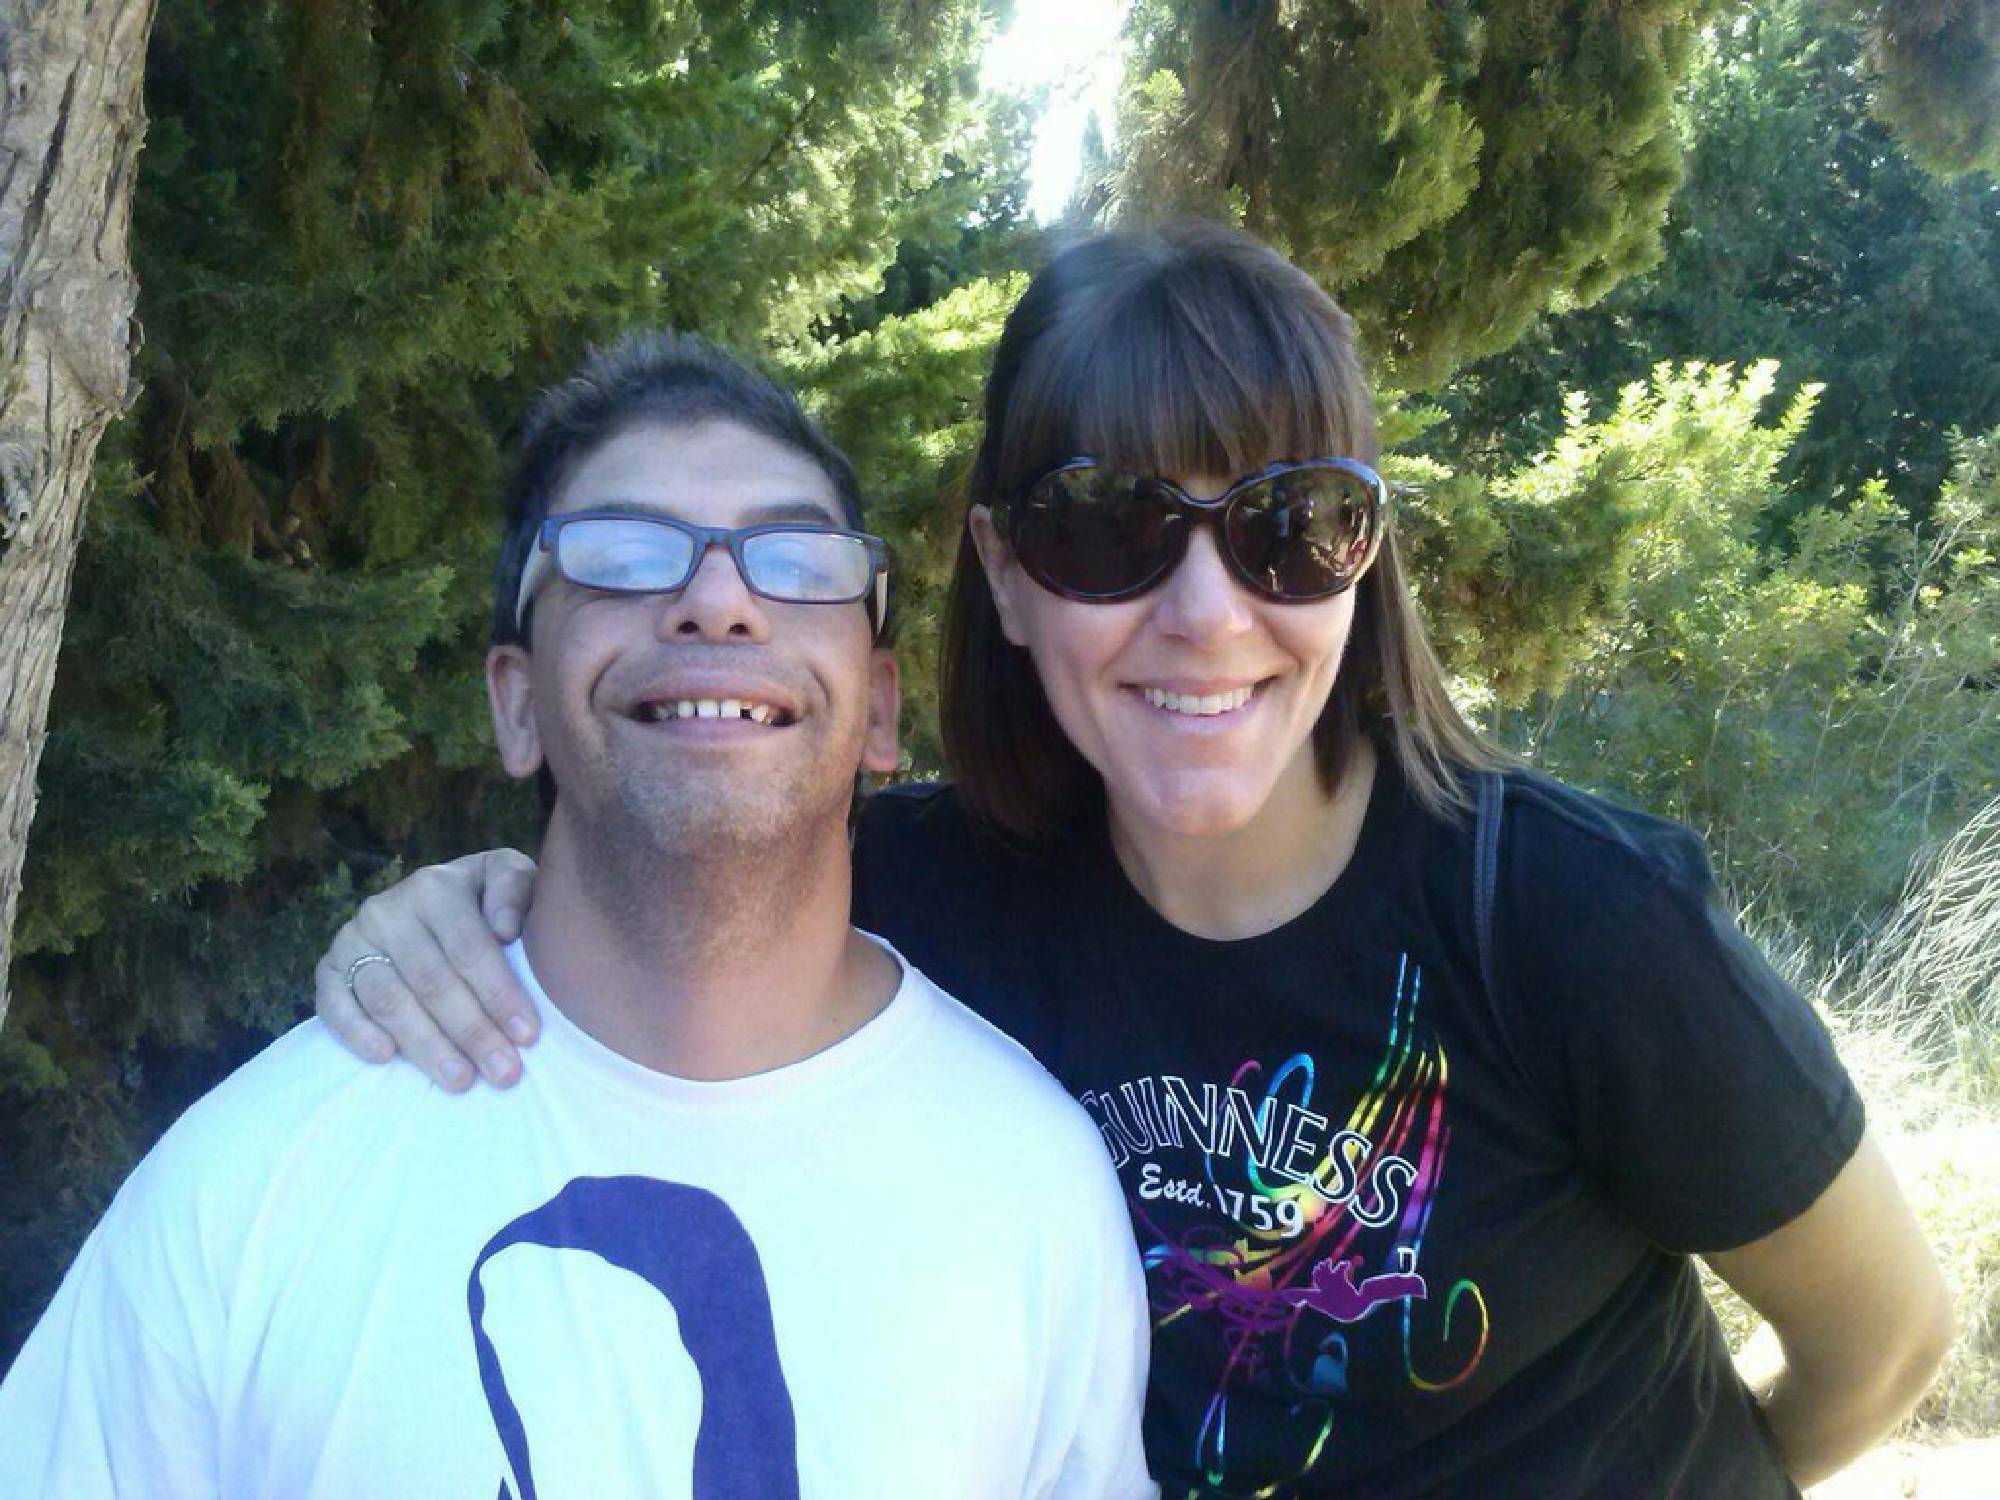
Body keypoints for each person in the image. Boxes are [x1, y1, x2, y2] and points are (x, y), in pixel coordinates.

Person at [309, 224, 1952, 1497]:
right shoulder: (926, 901)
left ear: (1364, 559)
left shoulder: (1572, 922)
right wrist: (454, 907)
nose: (1206, 615)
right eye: (1111, 530)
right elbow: (671, 864)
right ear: (1006, 575)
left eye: (1289, 527)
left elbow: (1883, 1343)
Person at [0, 333, 1155, 1500]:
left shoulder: (1034, 1188)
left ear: (878, 712)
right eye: (623, 556)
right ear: (515, 705)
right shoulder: (255, 1186)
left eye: (797, 561)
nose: (717, 602)